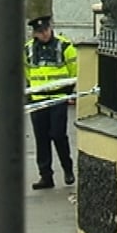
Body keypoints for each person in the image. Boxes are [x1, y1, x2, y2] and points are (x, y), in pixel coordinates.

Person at [24, 15, 78, 190]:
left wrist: (68, 92)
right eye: (40, 32)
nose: (44, 34)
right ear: (35, 33)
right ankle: (45, 176)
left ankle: (68, 169)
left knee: (58, 135)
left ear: (50, 28)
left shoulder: (64, 45)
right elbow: (26, 71)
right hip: (38, 99)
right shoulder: (28, 49)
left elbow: (74, 70)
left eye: (46, 30)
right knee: (41, 139)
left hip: (58, 98)